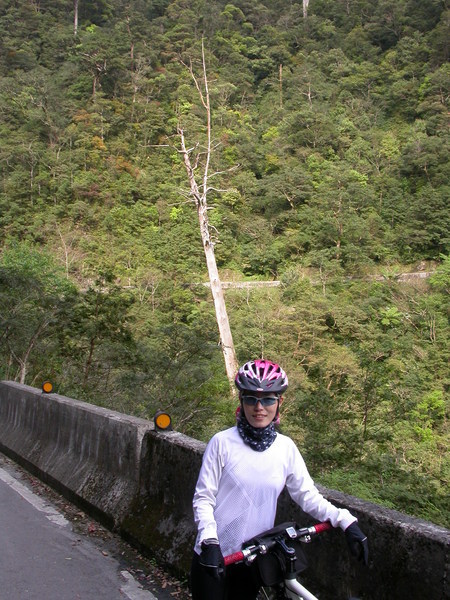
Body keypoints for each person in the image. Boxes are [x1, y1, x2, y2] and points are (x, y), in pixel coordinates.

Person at [190, 359, 369, 600]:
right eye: (251, 399)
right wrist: (210, 542)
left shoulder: (286, 448)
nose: (259, 407)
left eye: (268, 399)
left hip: (252, 559)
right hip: (214, 558)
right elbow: (204, 498)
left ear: (279, 402)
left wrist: (346, 521)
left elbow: (307, 496)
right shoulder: (221, 443)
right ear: (241, 401)